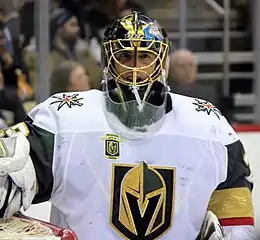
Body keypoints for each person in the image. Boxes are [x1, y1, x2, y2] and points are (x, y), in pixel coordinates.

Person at [0, 11, 255, 240]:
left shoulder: (210, 127)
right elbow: (11, 171)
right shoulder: (63, 118)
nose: (134, 68)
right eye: (124, 56)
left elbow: (237, 220)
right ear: (108, 60)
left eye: (145, 56)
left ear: (162, 61)